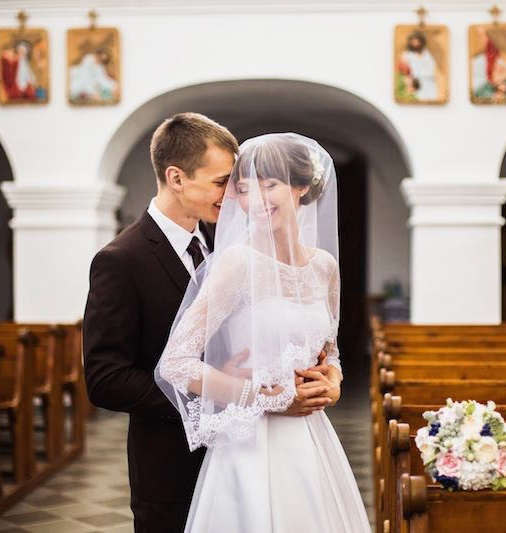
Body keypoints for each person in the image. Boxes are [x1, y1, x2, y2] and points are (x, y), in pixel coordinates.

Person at [83, 114, 336, 532]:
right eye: (224, 183)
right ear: (176, 178)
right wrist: (227, 395)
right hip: (172, 462)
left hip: (253, 452)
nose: (237, 197)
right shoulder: (121, 259)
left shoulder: (231, 242)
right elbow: (106, 378)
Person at [156, 133, 372, 532]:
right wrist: (266, 399)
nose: (255, 200)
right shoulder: (236, 264)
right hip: (251, 444)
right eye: (243, 189)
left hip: (310, 435)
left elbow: (330, 350)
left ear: (301, 187)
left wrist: (335, 381)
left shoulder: (324, 267)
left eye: (269, 185)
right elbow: (175, 364)